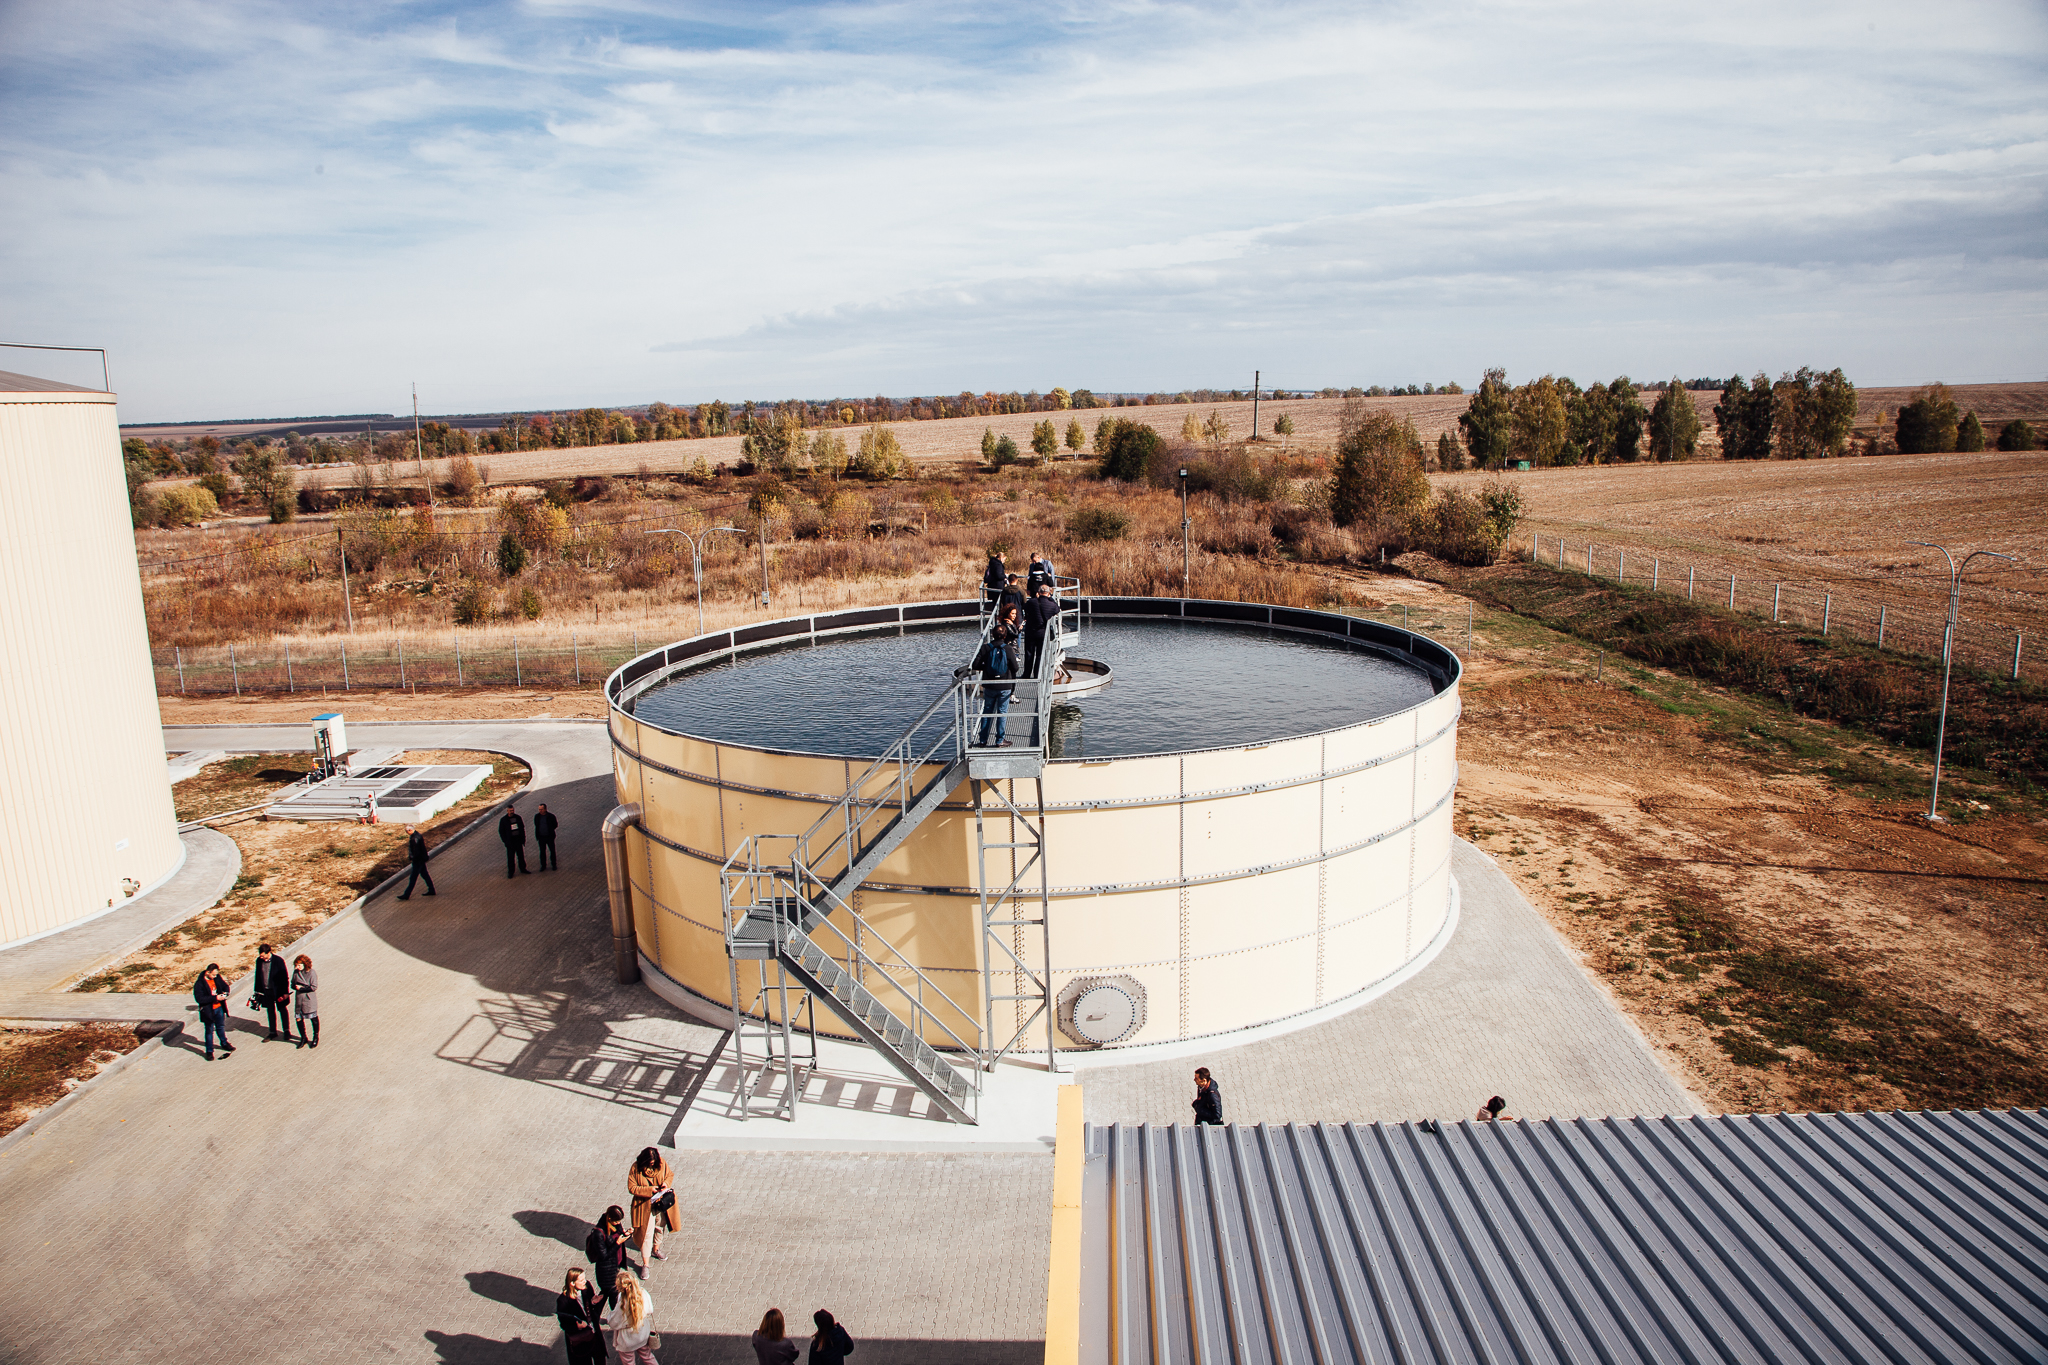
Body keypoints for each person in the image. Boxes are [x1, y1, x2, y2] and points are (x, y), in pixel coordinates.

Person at [627, 1146, 677, 1265]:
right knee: (646, 1233)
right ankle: (646, 1264)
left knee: (660, 1227)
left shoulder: (662, 1163)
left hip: (661, 1203)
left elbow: (669, 1175)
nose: (652, 1165)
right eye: (650, 1163)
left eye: (654, 1163)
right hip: (644, 1206)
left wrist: (665, 1184)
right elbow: (632, 1187)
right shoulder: (635, 1168)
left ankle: (656, 1249)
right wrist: (649, 1190)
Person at [976, 613, 1018, 748]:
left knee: (987, 712)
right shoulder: (1008, 648)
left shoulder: (986, 647)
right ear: (1005, 636)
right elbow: (1015, 668)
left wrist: (987, 668)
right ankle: (1000, 740)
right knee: (1002, 713)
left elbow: (976, 665)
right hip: (1004, 686)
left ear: (993, 635)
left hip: (989, 685)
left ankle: (983, 740)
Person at [601, 1268, 657, 1365]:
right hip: (642, 1333)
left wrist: (609, 1317)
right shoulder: (643, 1293)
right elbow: (650, 1310)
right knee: (648, 1357)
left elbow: (614, 1322)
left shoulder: (622, 1304)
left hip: (627, 1339)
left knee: (629, 1362)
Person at [585, 1206, 634, 1307]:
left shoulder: (615, 1225)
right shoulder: (598, 1233)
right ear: (610, 1219)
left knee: (606, 1294)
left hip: (615, 1266)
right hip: (605, 1271)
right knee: (613, 1295)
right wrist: (617, 1243)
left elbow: (620, 1236)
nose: (618, 1223)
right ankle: (614, 1317)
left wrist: (627, 1234)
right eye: (616, 1221)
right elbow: (603, 1255)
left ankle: (594, 1312)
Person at [557, 1268, 606, 1365]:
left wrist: (593, 1302)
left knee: (600, 1359)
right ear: (572, 1283)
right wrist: (578, 1326)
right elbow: (564, 1324)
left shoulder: (586, 1287)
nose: (585, 1282)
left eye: (584, 1279)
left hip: (594, 1332)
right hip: (581, 1340)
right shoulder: (563, 1301)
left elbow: (590, 1307)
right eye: (581, 1280)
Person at [248, 942, 291, 1041]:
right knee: (270, 1011)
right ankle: (272, 1032)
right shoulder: (259, 961)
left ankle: (287, 1031)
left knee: (282, 1010)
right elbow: (258, 976)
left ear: (269, 952)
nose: (262, 958)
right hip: (266, 991)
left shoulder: (278, 961)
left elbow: (285, 977)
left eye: (263, 956)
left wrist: (285, 992)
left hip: (278, 991)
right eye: (260, 956)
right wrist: (257, 991)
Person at [193, 962, 233, 1061]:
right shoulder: (199, 983)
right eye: (213, 974)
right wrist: (215, 997)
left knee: (220, 1027)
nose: (215, 976)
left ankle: (224, 1043)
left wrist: (225, 993)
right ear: (207, 972)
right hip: (208, 1010)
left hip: (219, 1008)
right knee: (209, 1030)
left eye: (216, 974)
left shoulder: (217, 978)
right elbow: (200, 999)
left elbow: (225, 986)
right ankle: (209, 1051)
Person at [1023, 583, 1060, 679]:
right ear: (1048, 593)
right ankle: (1037, 675)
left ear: (1038, 592)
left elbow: (1025, 607)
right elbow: (1057, 609)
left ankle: (1026, 674)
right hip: (1043, 633)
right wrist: (1050, 598)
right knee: (1040, 654)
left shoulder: (1031, 602)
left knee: (1029, 653)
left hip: (1030, 631)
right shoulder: (1051, 604)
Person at [397, 824, 435, 899]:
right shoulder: (417, 835)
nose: (406, 832)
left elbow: (416, 851)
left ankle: (407, 894)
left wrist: (413, 858)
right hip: (421, 859)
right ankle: (431, 889)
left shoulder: (414, 838)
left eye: (406, 831)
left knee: (413, 878)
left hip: (418, 860)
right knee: (425, 875)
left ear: (410, 830)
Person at [290, 953, 320, 1048]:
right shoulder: (296, 973)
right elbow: (292, 983)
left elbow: (314, 987)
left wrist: (301, 988)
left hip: (308, 999)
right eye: (296, 965)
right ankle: (303, 1037)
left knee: (313, 1018)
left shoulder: (311, 973)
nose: (297, 967)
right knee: (298, 1018)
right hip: (299, 999)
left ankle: (315, 1037)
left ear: (304, 964)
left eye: (299, 965)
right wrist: (295, 987)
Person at [499, 802, 530, 878]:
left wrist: (523, 838)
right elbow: (501, 831)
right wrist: (505, 841)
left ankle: (523, 868)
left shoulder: (518, 818)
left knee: (521, 856)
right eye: (510, 810)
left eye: (512, 810)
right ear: (507, 811)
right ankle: (511, 872)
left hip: (518, 840)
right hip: (510, 842)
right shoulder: (503, 820)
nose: (512, 812)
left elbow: (522, 828)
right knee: (510, 858)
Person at [534, 803, 559, 871]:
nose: (540, 811)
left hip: (549, 837)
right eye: (539, 809)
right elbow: (536, 825)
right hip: (541, 837)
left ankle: (554, 864)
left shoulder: (551, 816)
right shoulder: (537, 816)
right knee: (542, 852)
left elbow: (555, 825)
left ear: (545, 809)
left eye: (542, 809)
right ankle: (543, 865)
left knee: (552, 851)